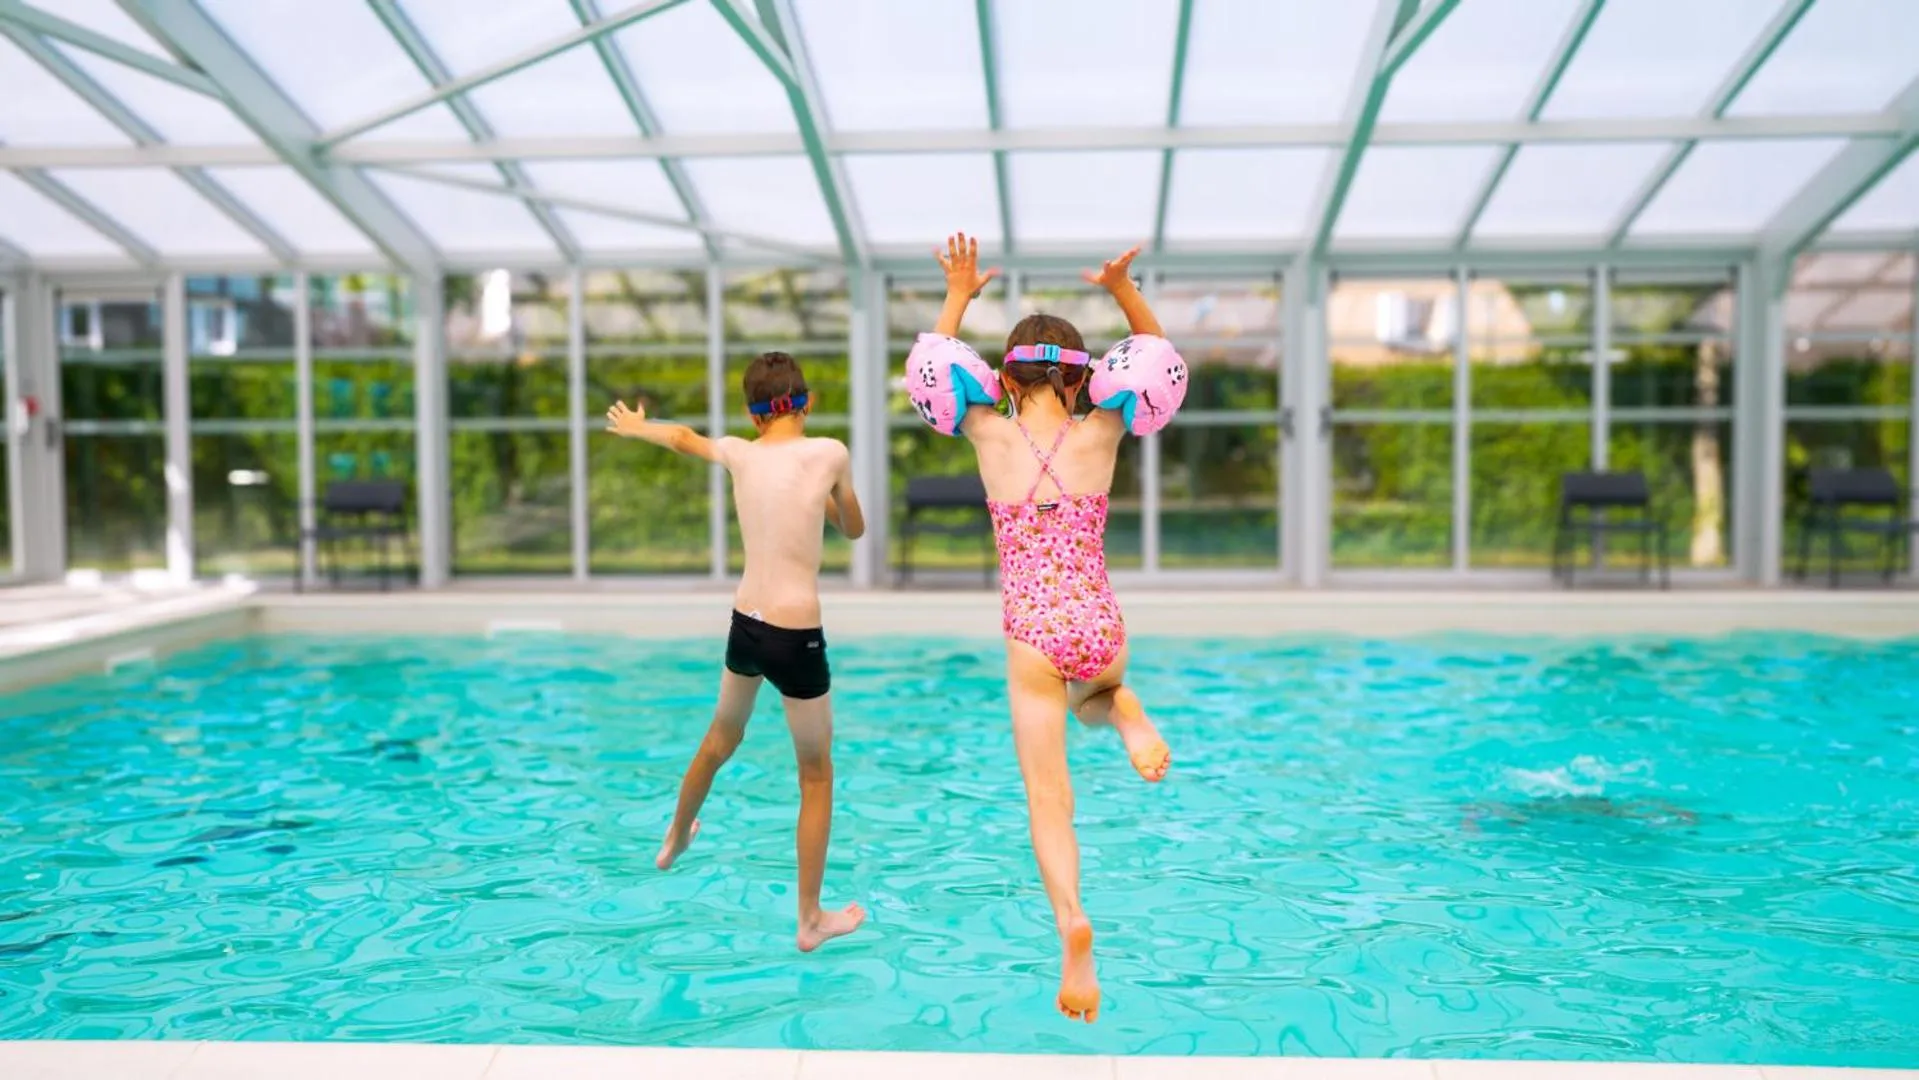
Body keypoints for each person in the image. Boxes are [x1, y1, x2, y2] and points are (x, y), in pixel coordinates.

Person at [919, 232, 1178, 1023]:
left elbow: (934, 364)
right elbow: (1159, 361)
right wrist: (1122, 292)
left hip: (1031, 630)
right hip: (1099, 621)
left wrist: (958, 293)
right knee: (1096, 695)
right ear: (1083, 377)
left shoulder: (986, 431)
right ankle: (1123, 710)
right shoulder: (1103, 431)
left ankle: (1070, 920)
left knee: (1047, 799)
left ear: (1003, 379)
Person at [604, 351, 868, 953]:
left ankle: (675, 837)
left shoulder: (739, 452)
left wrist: (638, 426)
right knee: (816, 774)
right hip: (796, 635)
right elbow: (853, 528)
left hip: (746, 625)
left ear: (753, 416)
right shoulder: (830, 453)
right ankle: (809, 919)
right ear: (807, 402)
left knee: (720, 740)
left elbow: (681, 437)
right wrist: (828, 495)